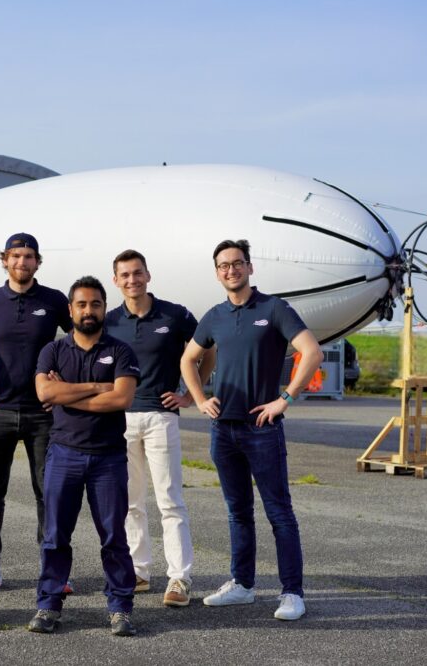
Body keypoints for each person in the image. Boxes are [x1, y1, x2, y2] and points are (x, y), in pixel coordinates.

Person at [179, 239, 322, 621]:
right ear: (217, 272)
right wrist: (198, 398)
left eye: (237, 263)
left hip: (262, 427)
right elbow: (189, 359)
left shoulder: (273, 308)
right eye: (223, 265)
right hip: (223, 430)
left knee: (279, 513)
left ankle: (292, 593)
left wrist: (285, 399)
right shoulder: (214, 316)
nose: (231, 270)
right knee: (237, 511)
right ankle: (242, 585)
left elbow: (312, 351)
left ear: (249, 267)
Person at [28, 276, 140, 637]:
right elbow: (44, 391)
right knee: (55, 535)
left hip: (108, 459)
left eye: (95, 304)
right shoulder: (53, 351)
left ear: (104, 308)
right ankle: (48, 605)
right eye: (81, 304)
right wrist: (96, 387)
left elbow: (121, 399)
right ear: (70, 309)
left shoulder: (121, 352)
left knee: (113, 537)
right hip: (63, 455)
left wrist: (66, 393)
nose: (88, 310)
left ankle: (120, 607)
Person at [0, 232, 71, 590]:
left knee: (48, 491)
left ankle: (52, 564)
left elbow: (81, 344)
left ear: (37, 262)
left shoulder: (55, 301)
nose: (22, 262)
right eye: (15, 256)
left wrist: (64, 382)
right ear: (5, 260)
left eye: (29, 257)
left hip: (43, 413)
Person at [105, 249, 200, 607]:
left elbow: (205, 351)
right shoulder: (110, 320)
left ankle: (179, 577)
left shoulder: (175, 315)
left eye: (138, 273)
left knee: (170, 499)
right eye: (125, 275)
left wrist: (190, 394)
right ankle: (138, 570)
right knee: (129, 502)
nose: (132, 280)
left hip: (162, 416)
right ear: (116, 281)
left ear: (148, 275)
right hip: (122, 418)